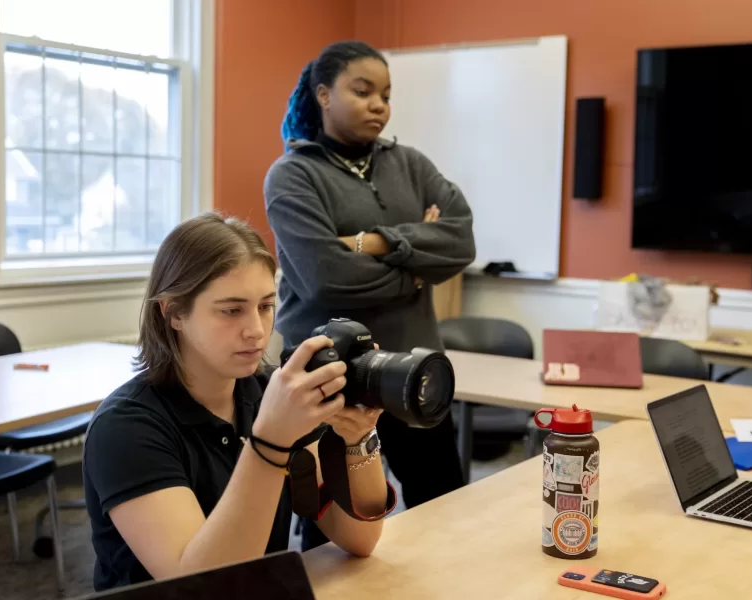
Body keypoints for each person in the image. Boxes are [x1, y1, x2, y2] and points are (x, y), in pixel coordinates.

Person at [82, 212, 393, 592]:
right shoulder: (126, 428)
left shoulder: (267, 393)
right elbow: (206, 588)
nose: (257, 330)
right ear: (173, 312)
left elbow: (359, 539)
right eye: (231, 310)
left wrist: (359, 438)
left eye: (265, 306)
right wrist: (270, 443)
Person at [263, 40, 477, 551]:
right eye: (362, 91)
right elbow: (325, 277)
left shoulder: (412, 164)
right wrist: (418, 272)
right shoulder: (292, 176)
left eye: (385, 94)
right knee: (335, 527)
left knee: (444, 509)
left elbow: (461, 240)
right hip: (330, 377)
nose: (379, 104)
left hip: (413, 368)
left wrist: (373, 242)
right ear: (323, 94)